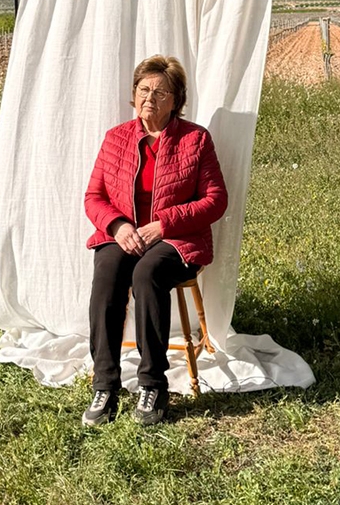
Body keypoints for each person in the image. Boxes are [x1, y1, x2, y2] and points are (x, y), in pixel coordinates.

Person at [82, 55, 228, 426]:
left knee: (147, 273)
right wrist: (118, 226)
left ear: (176, 100)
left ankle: (153, 384)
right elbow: (94, 197)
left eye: (160, 92)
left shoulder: (196, 139)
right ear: (133, 94)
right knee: (108, 273)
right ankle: (105, 384)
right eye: (144, 89)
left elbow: (215, 200)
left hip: (177, 239)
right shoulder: (115, 138)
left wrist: (164, 225)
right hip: (124, 235)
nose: (150, 97)